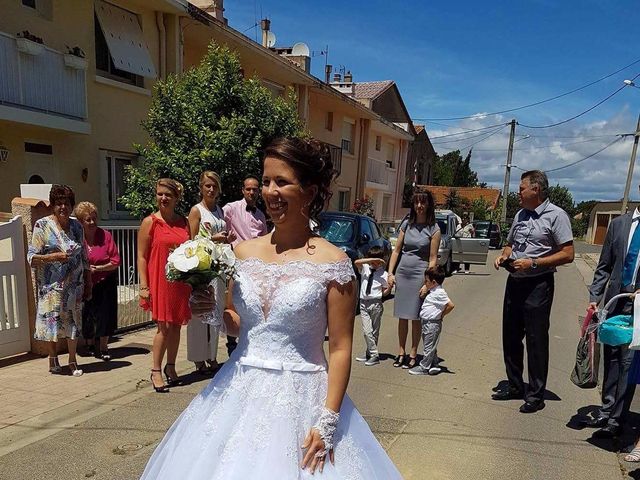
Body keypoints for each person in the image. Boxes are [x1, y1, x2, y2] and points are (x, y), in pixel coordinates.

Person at [140, 137, 402, 479]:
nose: (270, 192)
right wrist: (216, 314)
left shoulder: (335, 264)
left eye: (282, 181)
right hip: (239, 386)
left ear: (309, 191)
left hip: (304, 396)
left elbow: (339, 348)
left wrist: (327, 422)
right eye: (265, 182)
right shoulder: (244, 253)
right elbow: (240, 324)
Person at [493, 170, 574, 413]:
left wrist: (534, 263)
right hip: (514, 281)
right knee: (510, 336)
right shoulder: (520, 214)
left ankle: (536, 394)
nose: (518, 192)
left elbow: (568, 254)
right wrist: (504, 256)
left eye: (522, 188)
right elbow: (510, 244)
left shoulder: (557, 216)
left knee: (536, 340)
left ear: (536, 190)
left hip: (538, 284)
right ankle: (516, 385)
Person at [584, 192, 640, 438]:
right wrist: (594, 299)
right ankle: (606, 410)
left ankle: (617, 420)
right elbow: (604, 266)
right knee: (612, 358)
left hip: (638, 307)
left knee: (629, 363)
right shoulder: (619, 224)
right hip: (614, 302)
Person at [28, 184, 91, 376]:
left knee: (73, 322)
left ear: (72, 206)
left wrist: (88, 282)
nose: (63, 207)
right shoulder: (42, 225)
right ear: (53, 206)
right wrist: (53, 257)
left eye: (66, 203)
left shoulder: (77, 226)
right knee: (53, 323)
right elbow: (31, 257)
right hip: (52, 287)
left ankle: (72, 360)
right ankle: (52, 358)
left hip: (75, 285)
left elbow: (84, 258)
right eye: (58, 203)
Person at [137, 178, 192, 393]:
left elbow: (190, 250)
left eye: (168, 194)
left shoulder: (183, 222)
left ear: (176, 198)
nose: (163, 198)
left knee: (177, 325)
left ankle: (171, 367)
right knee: (163, 326)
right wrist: (144, 285)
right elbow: (141, 256)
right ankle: (155, 370)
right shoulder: (150, 222)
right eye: (160, 194)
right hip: (159, 279)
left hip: (179, 280)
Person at [186, 171, 236, 374]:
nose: (211, 189)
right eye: (207, 185)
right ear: (201, 187)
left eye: (214, 186)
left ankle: (212, 355)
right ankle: (198, 358)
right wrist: (214, 239)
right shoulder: (196, 211)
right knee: (200, 312)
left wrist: (227, 238)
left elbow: (221, 237)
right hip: (202, 266)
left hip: (219, 265)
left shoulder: (220, 211)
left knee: (216, 308)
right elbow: (191, 241)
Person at [387, 191, 441, 370]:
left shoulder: (434, 229)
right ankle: (401, 352)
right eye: (417, 203)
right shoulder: (406, 224)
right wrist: (390, 273)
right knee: (402, 316)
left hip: (420, 274)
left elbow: (433, 259)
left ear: (428, 205)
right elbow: (396, 250)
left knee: (416, 316)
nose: (419, 206)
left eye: (423, 203)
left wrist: (428, 283)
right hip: (403, 273)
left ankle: (413, 352)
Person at [222, 176, 268, 356]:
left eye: (255, 189)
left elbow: (264, 240)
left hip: (255, 266)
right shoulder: (231, 208)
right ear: (243, 190)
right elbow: (217, 221)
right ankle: (231, 345)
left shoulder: (261, 215)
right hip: (238, 264)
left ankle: (249, 343)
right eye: (248, 189)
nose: (251, 192)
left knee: (252, 304)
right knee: (233, 302)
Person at [75, 201, 120, 361]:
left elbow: (115, 261)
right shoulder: (78, 238)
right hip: (85, 282)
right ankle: (88, 344)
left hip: (105, 280)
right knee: (87, 314)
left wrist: (97, 269)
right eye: (88, 219)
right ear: (81, 221)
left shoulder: (105, 235)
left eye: (94, 218)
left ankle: (103, 347)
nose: (92, 222)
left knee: (105, 314)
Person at [409, 266, 454, 376]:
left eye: (426, 281)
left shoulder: (440, 292)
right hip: (426, 322)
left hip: (432, 323)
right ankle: (434, 364)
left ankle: (424, 367)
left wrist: (441, 315)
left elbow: (450, 305)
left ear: (433, 282)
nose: (425, 283)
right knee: (430, 344)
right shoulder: (433, 291)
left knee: (428, 346)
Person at [353, 246, 391, 366]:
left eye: (377, 261)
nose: (374, 263)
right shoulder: (365, 268)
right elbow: (356, 262)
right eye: (372, 260)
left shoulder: (383, 274)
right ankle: (374, 354)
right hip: (363, 303)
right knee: (366, 331)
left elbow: (386, 291)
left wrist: (386, 290)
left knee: (374, 331)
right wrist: (369, 260)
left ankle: (369, 353)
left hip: (376, 303)